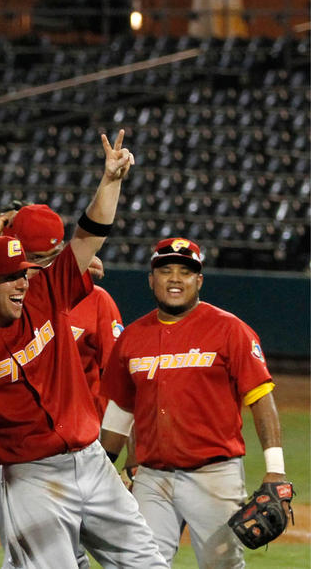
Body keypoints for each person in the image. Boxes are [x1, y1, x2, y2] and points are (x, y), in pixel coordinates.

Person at [0, 131, 167, 568]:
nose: (24, 280)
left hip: (90, 461)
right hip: (32, 478)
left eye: (27, 271)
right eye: (13, 274)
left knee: (148, 563)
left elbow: (90, 233)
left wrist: (110, 181)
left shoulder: (47, 292)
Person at [99, 237, 290, 567]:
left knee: (222, 565)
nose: (175, 278)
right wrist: (100, 469)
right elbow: (121, 409)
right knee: (140, 563)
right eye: (166, 270)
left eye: (185, 272)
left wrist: (275, 470)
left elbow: (261, 399)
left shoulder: (230, 330)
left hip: (213, 476)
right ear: (151, 279)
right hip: (152, 478)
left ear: (198, 280)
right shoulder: (132, 337)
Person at [0, 202, 124, 543]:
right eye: (34, 256)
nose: (41, 265)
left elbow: (117, 377)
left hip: (77, 437)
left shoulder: (81, 290)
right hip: (5, 435)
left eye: (51, 255)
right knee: (20, 540)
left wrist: (110, 448)